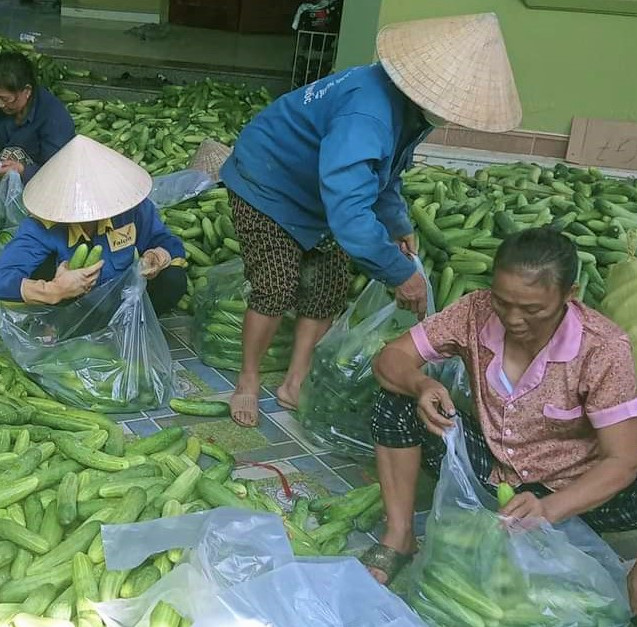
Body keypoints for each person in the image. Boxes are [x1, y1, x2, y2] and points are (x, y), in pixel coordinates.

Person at [222, 13, 522, 427]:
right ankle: (248, 380)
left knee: (327, 287)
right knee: (276, 285)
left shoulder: (407, 106)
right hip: (268, 182)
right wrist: (399, 272)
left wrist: (397, 224)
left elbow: (383, 174)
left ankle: (296, 380)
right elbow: (348, 209)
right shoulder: (367, 114)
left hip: (320, 190)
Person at [362, 227, 637, 586]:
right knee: (395, 398)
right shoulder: (474, 311)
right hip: (496, 472)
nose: (514, 319)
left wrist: (549, 509)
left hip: (577, 489)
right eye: (503, 302)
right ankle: (399, 537)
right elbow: (392, 358)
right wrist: (422, 384)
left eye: (532, 309)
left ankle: (574, 533)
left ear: (570, 295)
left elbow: (622, 460)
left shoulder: (603, 348)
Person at [0, 135, 188, 315]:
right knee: (43, 266)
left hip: (122, 301)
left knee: (173, 279)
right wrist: (54, 289)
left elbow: (167, 241)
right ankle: (58, 327)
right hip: (69, 308)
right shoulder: (41, 227)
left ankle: (130, 324)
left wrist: (158, 254)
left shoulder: (132, 208)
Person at [0, 52, 75, 188]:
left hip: (39, 183)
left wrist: (22, 170)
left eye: (6, 99)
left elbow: (57, 171)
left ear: (27, 91)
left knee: (10, 156)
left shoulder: (54, 116)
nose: (0, 104)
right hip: (2, 168)